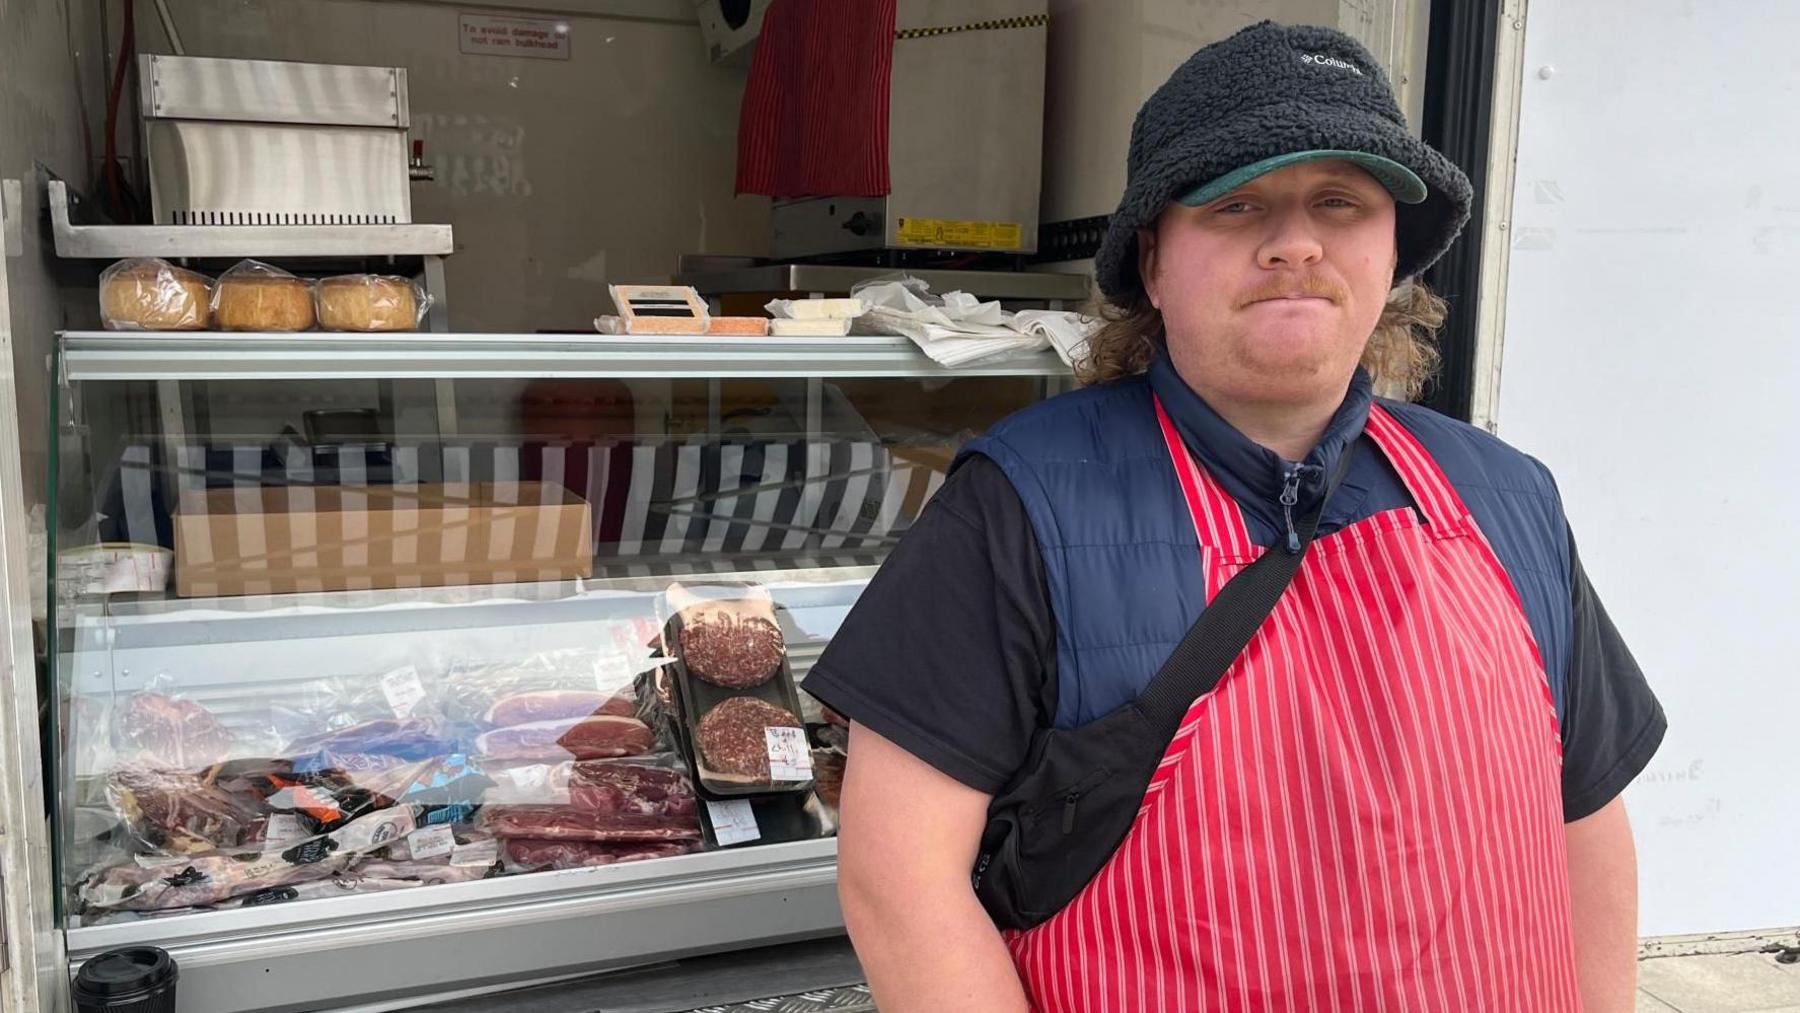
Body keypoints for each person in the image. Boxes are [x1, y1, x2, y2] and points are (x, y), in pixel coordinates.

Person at [802, 20, 1666, 1013]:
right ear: (1154, 263)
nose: (1295, 240)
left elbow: (1586, 816)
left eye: (1340, 202)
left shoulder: (1506, 496)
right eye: (1237, 203)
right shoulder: (1021, 501)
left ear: (1394, 252)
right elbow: (898, 874)